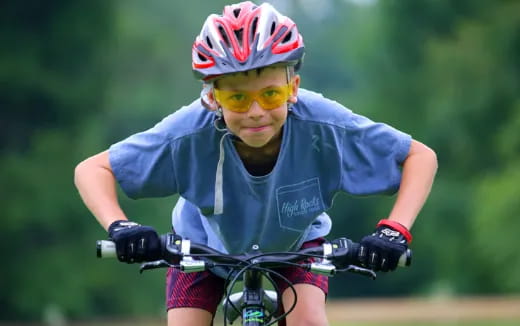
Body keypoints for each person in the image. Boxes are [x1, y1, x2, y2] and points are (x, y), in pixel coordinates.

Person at [74, 1, 438, 325]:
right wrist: (121, 227)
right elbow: (93, 170)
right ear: (212, 97)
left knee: (309, 320)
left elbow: (419, 157)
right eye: (236, 99)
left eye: (271, 94)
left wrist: (394, 230)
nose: (255, 112)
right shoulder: (187, 132)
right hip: (202, 247)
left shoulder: (324, 125)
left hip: (298, 246)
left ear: (293, 87)